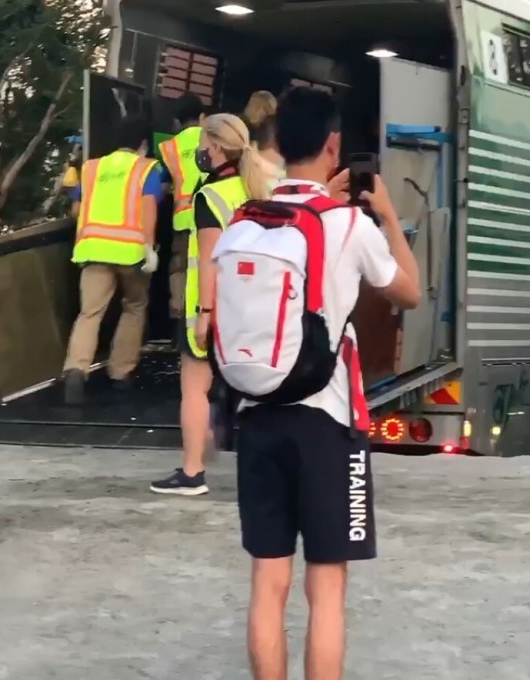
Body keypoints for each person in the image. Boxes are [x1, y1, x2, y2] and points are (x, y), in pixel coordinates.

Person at [234, 87, 420, 680]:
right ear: (334, 144)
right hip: (327, 424)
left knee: (268, 582)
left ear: (278, 144)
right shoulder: (345, 224)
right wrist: (385, 213)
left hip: (256, 413)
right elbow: (408, 293)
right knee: (327, 588)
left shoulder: (246, 219)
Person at [150, 113, 273, 496]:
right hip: (253, 307)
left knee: (194, 390)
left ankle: (192, 472)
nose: (200, 154)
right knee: (263, 392)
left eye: (203, 147)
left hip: (213, 309)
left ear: (217, 147)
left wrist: (205, 313)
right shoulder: (259, 189)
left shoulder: (209, 196)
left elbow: (208, 260)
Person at [61, 115, 163, 404]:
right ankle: (120, 372)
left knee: (89, 313)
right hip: (130, 252)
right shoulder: (146, 168)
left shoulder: (92, 168)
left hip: (93, 250)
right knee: (134, 306)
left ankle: (76, 370)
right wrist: (149, 247)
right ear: (143, 144)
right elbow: (148, 209)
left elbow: (76, 210)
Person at [158, 93, 207, 333]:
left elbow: (164, 186)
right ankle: (201, 318)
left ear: (177, 121)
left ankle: (179, 321)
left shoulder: (170, 147)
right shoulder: (214, 139)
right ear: (202, 117)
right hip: (211, 217)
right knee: (205, 268)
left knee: (179, 270)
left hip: (181, 218)